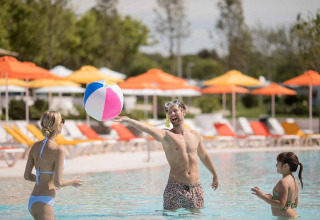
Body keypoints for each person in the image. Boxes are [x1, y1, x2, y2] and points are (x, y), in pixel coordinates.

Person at [113, 99, 219, 210]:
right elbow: (149, 129)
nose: (172, 114)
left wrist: (215, 174)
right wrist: (129, 120)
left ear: (183, 112)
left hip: (196, 188)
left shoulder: (195, 135)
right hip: (175, 188)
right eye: (169, 113)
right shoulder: (166, 135)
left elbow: (204, 156)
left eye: (174, 111)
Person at [24, 111, 83, 220]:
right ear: (58, 126)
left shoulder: (35, 146)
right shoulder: (58, 151)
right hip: (44, 202)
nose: (63, 123)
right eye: (62, 121)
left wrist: (45, 180)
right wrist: (72, 182)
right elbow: (58, 182)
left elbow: (27, 176)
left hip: (33, 200)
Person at [251, 152, 303, 218]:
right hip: (294, 215)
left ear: (285, 166)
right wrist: (274, 197)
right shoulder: (294, 180)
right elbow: (294, 204)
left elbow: (281, 205)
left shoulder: (283, 182)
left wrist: (262, 196)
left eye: (278, 163)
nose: (276, 165)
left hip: (285, 218)